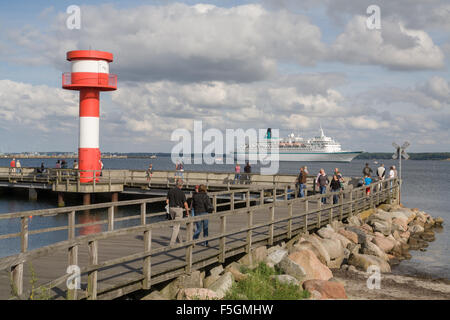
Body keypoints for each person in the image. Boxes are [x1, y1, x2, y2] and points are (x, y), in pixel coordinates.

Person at [166, 179, 189, 246]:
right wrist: (187, 212)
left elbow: (167, 201)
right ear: (181, 185)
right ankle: (171, 243)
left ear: (176, 184)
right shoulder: (182, 193)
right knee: (176, 226)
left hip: (171, 209)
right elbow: (185, 204)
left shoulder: (170, 191)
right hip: (178, 209)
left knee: (176, 225)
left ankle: (180, 241)